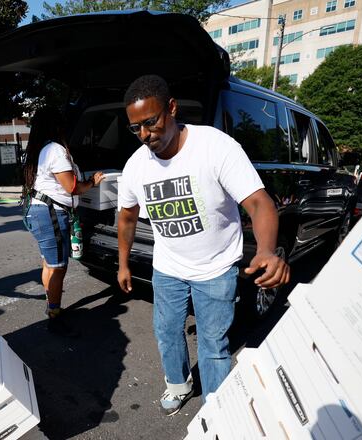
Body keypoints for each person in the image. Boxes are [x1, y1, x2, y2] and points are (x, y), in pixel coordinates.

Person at [116, 75, 290, 415]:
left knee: (213, 344)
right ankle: (178, 385)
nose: (145, 135)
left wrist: (267, 250)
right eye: (135, 128)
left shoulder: (215, 147)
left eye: (150, 122)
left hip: (216, 267)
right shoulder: (136, 166)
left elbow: (258, 203)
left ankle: (217, 407)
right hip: (168, 267)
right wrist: (123, 263)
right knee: (166, 333)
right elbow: (126, 217)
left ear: (171, 108)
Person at [22, 109, 104, 336]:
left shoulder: (40, 149)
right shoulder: (55, 150)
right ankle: (54, 315)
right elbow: (72, 187)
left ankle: (51, 307)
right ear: (57, 127)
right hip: (50, 214)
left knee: (49, 264)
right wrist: (93, 182)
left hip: (40, 211)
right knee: (58, 267)